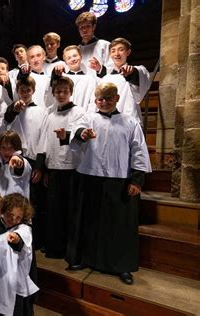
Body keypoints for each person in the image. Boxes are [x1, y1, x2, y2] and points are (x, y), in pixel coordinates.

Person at [67, 82, 151, 285]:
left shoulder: (130, 122)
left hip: (120, 179)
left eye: (108, 98)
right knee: (89, 221)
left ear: (117, 99)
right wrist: (82, 134)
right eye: (100, 99)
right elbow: (75, 131)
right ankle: (85, 259)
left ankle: (121, 266)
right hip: (90, 177)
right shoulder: (89, 118)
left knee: (119, 226)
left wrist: (137, 179)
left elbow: (139, 150)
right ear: (95, 100)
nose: (104, 102)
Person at [41, 76, 85, 259]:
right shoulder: (50, 115)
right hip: (54, 168)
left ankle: (71, 250)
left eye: (65, 91)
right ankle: (55, 246)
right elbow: (44, 143)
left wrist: (67, 135)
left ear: (71, 93)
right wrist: (44, 169)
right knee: (54, 211)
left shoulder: (79, 113)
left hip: (72, 168)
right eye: (58, 92)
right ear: (53, 93)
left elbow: (80, 134)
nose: (61, 95)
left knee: (71, 212)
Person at [95, 38, 151, 124]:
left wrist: (131, 73)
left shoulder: (136, 71)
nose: (116, 54)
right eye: (113, 51)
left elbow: (142, 77)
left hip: (129, 120)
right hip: (108, 121)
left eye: (121, 50)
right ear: (110, 54)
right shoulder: (105, 78)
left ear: (128, 52)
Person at [0, 193, 39, 316]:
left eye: (18, 217)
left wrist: (15, 239)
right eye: (10, 215)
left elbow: (20, 239)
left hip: (16, 281)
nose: (13, 221)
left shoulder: (23, 228)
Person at [0, 130, 32, 198]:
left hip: (16, 205)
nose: (6, 151)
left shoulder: (24, 162)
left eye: (11, 148)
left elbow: (20, 167)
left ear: (17, 148)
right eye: (3, 147)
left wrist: (18, 161)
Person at [51, 45, 97, 112]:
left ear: (81, 57)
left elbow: (93, 102)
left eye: (75, 56)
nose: (73, 59)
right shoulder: (61, 79)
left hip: (83, 118)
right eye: (69, 58)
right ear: (65, 62)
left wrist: (88, 118)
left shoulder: (90, 80)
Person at [75, 11, 112, 76]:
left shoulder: (104, 45)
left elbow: (112, 68)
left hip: (101, 84)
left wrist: (100, 69)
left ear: (94, 27)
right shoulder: (77, 49)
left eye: (88, 26)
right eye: (81, 27)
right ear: (78, 30)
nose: (84, 30)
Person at [17, 45, 53, 109]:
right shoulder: (26, 77)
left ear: (44, 57)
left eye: (38, 55)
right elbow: (20, 77)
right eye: (32, 57)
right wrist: (23, 72)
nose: (36, 60)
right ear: (28, 60)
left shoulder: (49, 78)